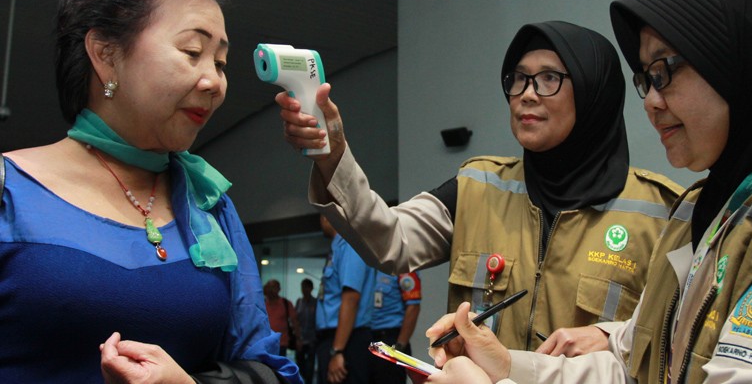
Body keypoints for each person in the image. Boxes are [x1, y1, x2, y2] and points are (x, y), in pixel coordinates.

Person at [422, 0, 752, 383]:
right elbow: (632, 366)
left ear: (743, 64)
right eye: (645, 79)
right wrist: (508, 366)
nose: (650, 101)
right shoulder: (704, 212)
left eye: (664, 72)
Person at [0, 0, 300, 383]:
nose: (215, 82)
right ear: (106, 54)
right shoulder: (10, 192)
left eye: (220, 62)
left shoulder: (210, 208)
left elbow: (268, 367)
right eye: (192, 51)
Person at [278, 21, 683, 351]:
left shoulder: (663, 212)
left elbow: (678, 340)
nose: (526, 94)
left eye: (548, 79)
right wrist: (332, 156)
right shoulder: (478, 187)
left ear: (594, 92)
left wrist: (611, 338)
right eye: (519, 78)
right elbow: (388, 239)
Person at [316, 215, 377, 384]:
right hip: (337, 338)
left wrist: (337, 351)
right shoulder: (338, 247)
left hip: (347, 340)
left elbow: (351, 298)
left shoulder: (350, 245)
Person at [369, 271, 423, 384]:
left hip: (390, 340)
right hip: (368, 337)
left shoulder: (403, 268)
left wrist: (399, 347)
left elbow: (413, 306)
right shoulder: (369, 267)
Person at [265, 279, 302, 357]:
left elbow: (295, 322)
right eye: (269, 287)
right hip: (265, 343)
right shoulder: (262, 304)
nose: (271, 290)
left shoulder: (285, 303)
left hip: (281, 343)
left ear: (279, 289)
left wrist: (298, 339)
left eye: (273, 287)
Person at [296, 278, 319, 384]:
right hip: (301, 338)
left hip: (312, 339)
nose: (304, 289)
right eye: (303, 287)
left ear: (311, 288)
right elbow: (296, 320)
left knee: (310, 365)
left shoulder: (316, 303)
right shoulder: (299, 302)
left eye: (306, 287)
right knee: (300, 363)